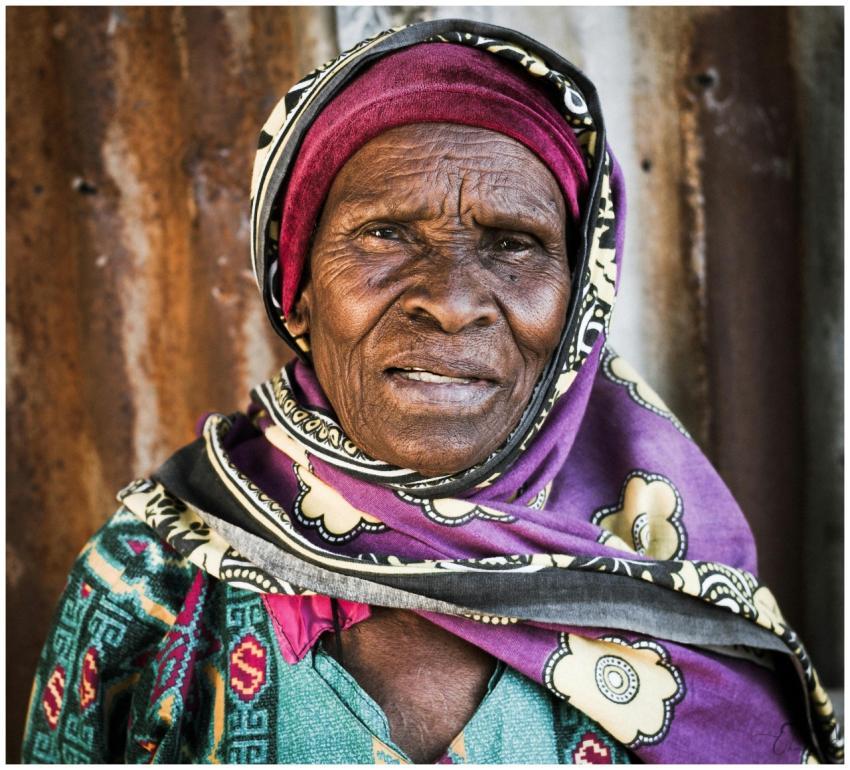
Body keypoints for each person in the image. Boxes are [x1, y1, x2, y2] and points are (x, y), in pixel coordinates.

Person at [22, 18, 842, 764]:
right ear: (297, 287)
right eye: (385, 233)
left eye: (514, 243)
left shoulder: (669, 565)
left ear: (578, 304)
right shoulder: (150, 575)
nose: (450, 300)